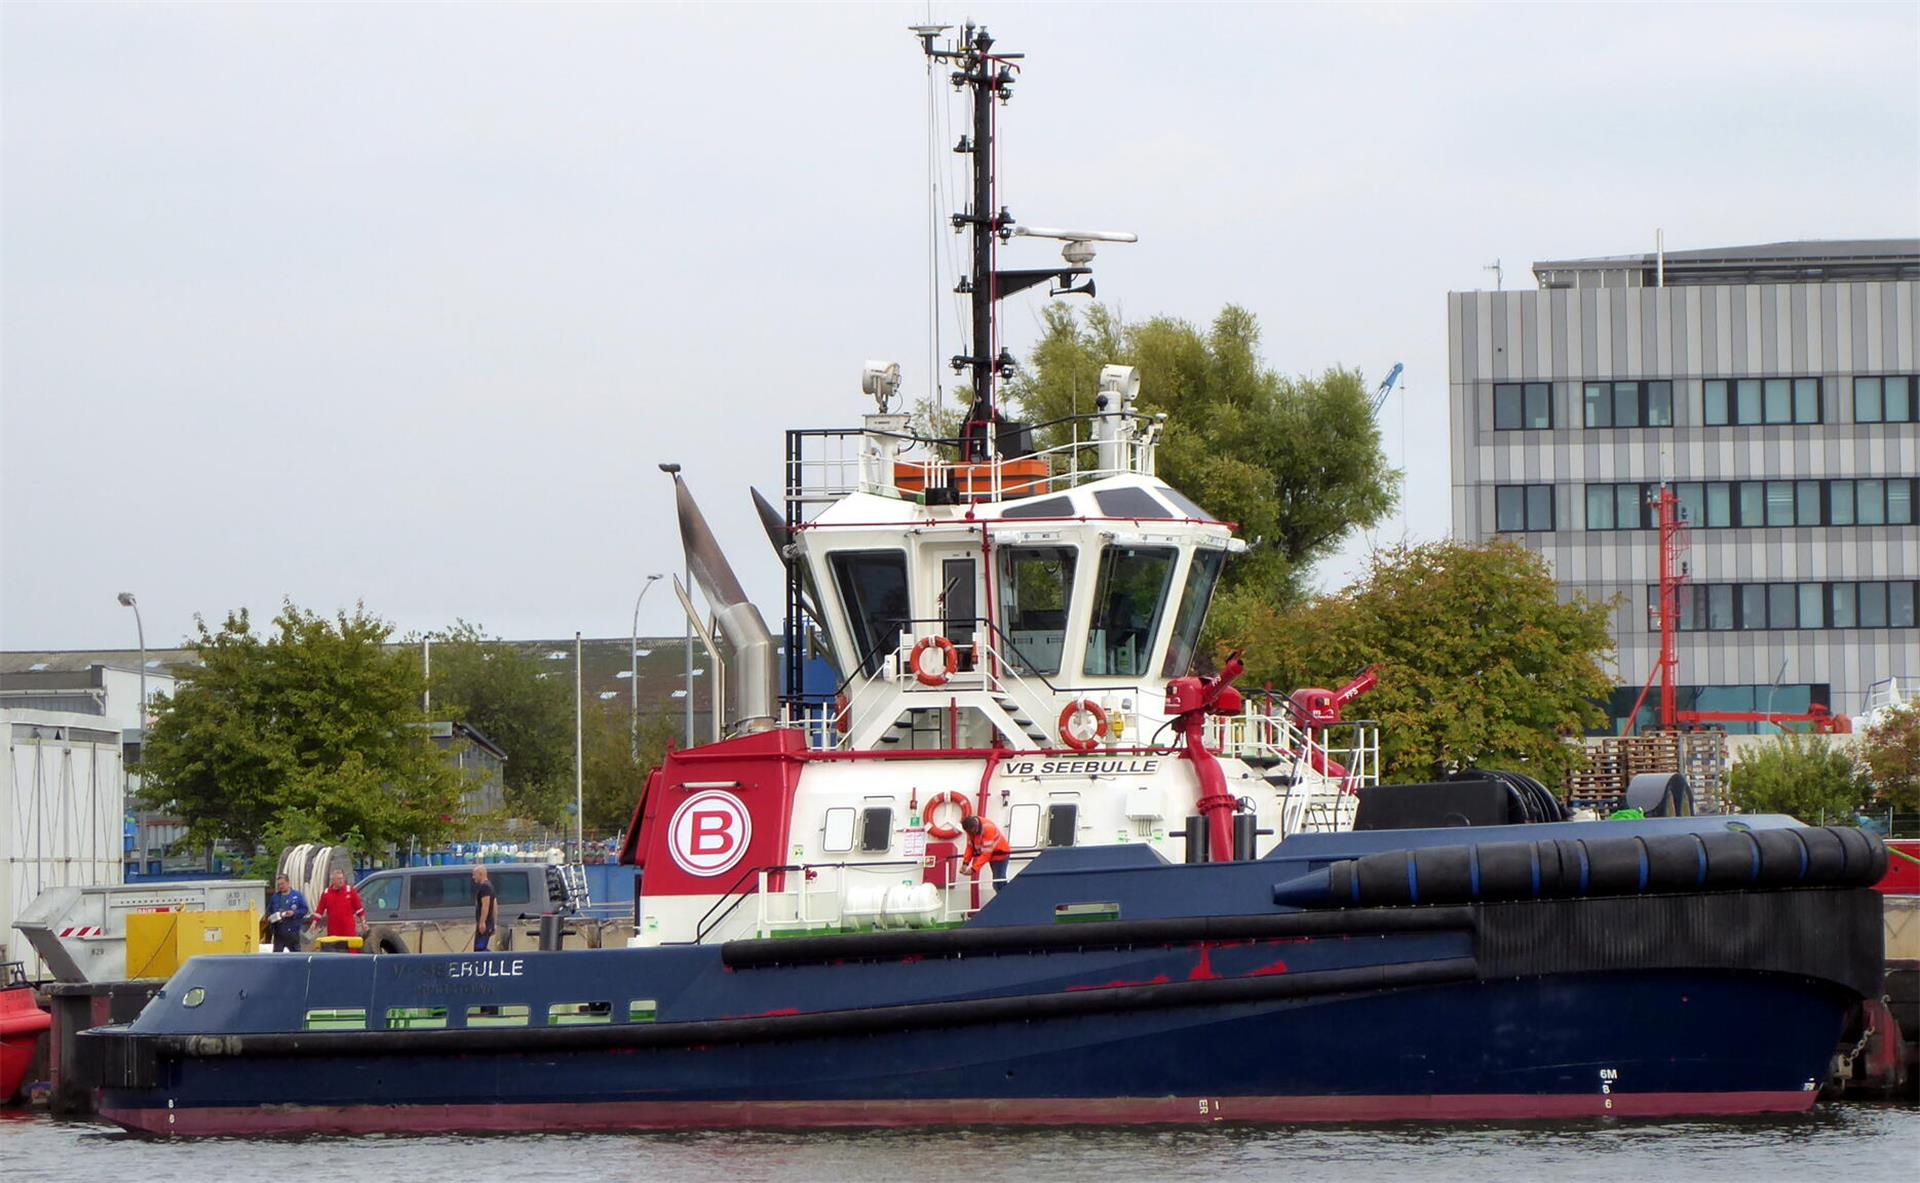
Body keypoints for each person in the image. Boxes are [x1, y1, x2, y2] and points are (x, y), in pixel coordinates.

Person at [309, 868, 365, 944]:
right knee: (335, 952)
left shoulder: (350, 891)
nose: (341, 881)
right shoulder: (326, 893)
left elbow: (359, 909)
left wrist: (363, 923)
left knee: (350, 953)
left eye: (342, 878)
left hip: (348, 930)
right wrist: (314, 923)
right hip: (333, 931)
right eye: (338, 879)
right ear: (333, 881)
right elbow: (319, 910)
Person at [959, 813, 1010, 889]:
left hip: (1001, 855)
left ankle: (1008, 899)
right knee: (999, 882)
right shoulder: (970, 829)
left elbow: (986, 854)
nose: (972, 834)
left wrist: (973, 869)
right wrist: (965, 863)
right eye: (970, 833)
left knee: (998, 884)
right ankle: (1007, 898)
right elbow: (970, 847)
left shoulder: (988, 829)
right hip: (993, 857)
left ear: (976, 826)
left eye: (973, 832)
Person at [266, 874, 309, 952]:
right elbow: (269, 911)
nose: (281, 886)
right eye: (279, 884)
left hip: (293, 932)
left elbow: (304, 909)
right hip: (279, 933)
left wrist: (294, 913)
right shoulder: (275, 897)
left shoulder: (297, 895)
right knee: (277, 957)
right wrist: (270, 917)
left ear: (288, 883)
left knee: (296, 956)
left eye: (282, 884)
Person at [472, 863, 497, 952]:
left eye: (474, 875)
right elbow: (495, 906)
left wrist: (482, 922)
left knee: (480, 949)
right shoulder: (490, 886)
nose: (473, 877)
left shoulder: (484, 887)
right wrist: (494, 923)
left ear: (480, 874)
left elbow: (485, 906)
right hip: (489, 923)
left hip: (485, 924)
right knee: (481, 947)